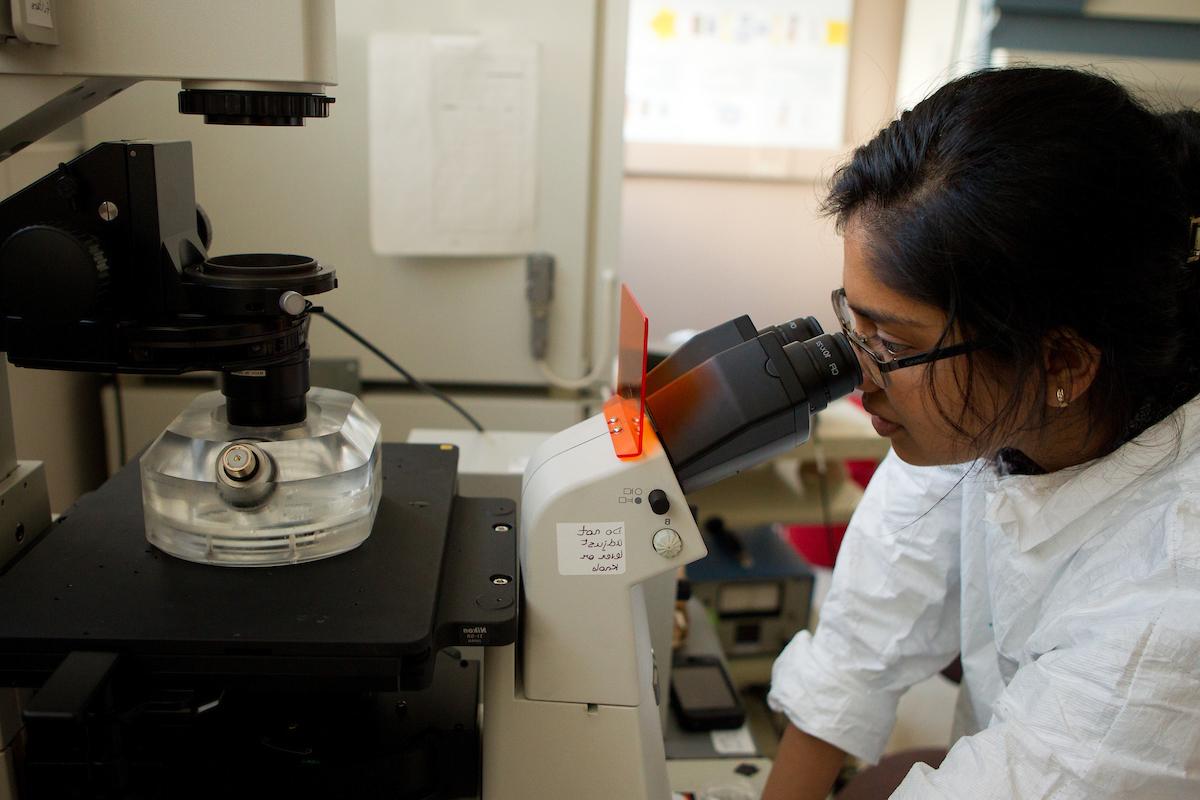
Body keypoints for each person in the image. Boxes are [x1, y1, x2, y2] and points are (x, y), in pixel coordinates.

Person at [762, 66, 1200, 799]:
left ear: (1060, 359)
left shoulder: (1169, 602)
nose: (860, 374)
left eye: (893, 345)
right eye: (854, 324)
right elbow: (865, 636)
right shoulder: (988, 406)